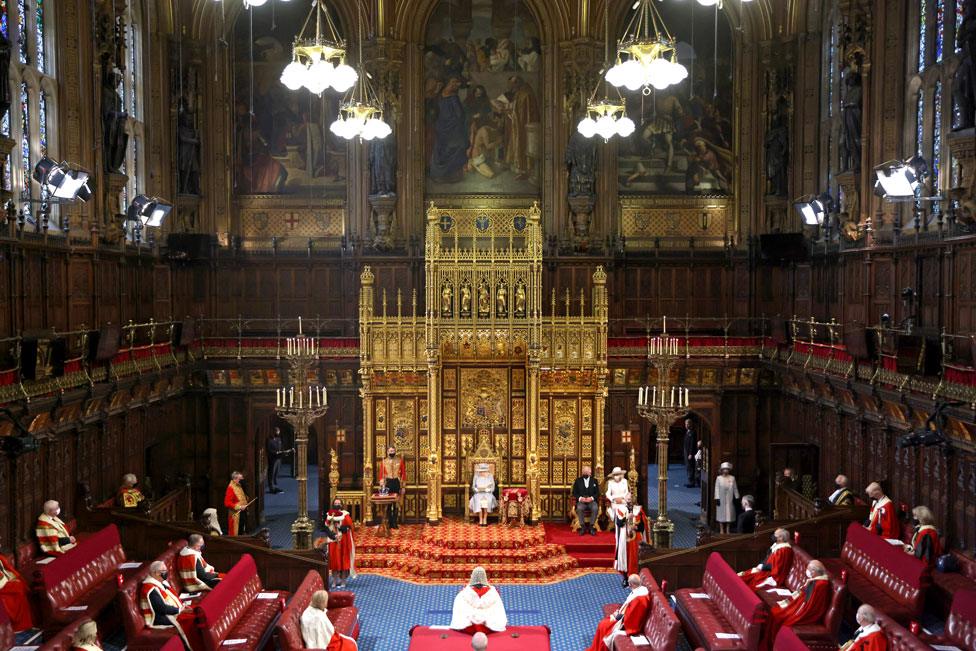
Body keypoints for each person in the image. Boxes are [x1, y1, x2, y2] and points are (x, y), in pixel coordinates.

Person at [761, 560, 833, 650]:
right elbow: (803, 595)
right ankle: (769, 643)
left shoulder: (821, 585)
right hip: (801, 605)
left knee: (778, 617)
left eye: (809, 569)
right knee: (775, 611)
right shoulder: (815, 581)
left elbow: (810, 605)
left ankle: (773, 646)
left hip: (807, 613)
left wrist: (796, 612)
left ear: (814, 572)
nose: (807, 570)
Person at [586, 574, 651, 651]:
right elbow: (629, 609)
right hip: (624, 618)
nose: (629, 585)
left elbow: (632, 617)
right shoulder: (638, 591)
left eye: (629, 583)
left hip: (627, 624)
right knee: (602, 624)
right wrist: (619, 613)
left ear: (632, 584)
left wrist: (618, 616)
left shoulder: (639, 599)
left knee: (604, 626)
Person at [449, 567, 507, 634]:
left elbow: (460, 611)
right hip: (488, 627)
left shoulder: (463, 593)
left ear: (473, 576)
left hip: (469, 627)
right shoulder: (493, 593)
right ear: (484, 576)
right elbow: (498, 611)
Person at [605, 467, 632, 586]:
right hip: (615, 504)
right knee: (618, 513)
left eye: (618, 474)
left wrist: (624, 499)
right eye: (615, 475)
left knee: (626, 512)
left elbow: (627, 493)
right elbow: (607, 494)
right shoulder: (610, 483)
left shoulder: (625, 482)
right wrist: (615, 499)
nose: (617, 476)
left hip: (624, 503)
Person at [140, 561, 185, 630]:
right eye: (163, 571)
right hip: (161, 617)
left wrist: (181, 608)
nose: (166, 573)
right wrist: (179, 610)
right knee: (189, 619)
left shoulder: (160, 582)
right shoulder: (150, 588)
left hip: (170, 612)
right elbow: (161, 608)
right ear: (156, 573)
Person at [324, 498, 356, 589]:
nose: (337, 504)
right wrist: (333, 535)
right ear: (333, 504)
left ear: (341, 505)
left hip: (343, 541)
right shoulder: (329, 515)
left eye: (338, 503)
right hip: (333, 540)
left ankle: (343, 581)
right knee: (334, 561)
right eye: (335, 503)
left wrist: (340, 527)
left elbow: (349, 527)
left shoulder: (345, 515)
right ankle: (334, 581)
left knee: (343, 561)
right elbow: (326, 527)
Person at [0, 545, 33, 631]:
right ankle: (18, 627)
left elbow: (6, 572)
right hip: (2, 588)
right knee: (18, 587)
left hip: (4, 583)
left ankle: (23, 626)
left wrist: (12, 579)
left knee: (19, 585)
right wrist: (11, 582)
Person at [378, 446, 406, 530]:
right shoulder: (384, 461)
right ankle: (390, 522)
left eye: (393, 450)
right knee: (389, 504)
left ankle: (395, 522)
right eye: (390, 450)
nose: (392, 452)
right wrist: (382, 484)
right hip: (388, 483)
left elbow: (403, 474)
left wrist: (403, 486)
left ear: (395, 451)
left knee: (396, 503)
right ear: (387, 452)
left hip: (396, 483)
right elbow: (381, 474)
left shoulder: (399, 460)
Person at [572, 465, 600, 535]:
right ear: (583, 472)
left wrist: (591, 498)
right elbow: (574, 493)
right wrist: (581, 498)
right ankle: (582, 527)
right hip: (582, 501)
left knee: (595, 508)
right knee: (579, 508)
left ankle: (591, 527)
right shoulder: (578, 481)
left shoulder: (594, 480)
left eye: (589, 471)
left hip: (591, 501)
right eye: (586, 472)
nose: (589, 473)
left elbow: (597, 493)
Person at [714, 462, 739, 534]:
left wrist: (736, 497)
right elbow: (716, 488)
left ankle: (728, 529)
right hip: (721, 498)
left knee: (729, 514)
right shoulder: (718, 478)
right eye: (724, 469)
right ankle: (721, 529)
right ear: (721, 470)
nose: (726, 471)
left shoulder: (732, 478)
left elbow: (735, 488)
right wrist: (717, 498)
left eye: (727, 469)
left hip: (730, 498)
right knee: (721, 513)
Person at [266, 428, 292, 494]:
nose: (277, 433)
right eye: (276, 432)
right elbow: (269, 450)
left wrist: (284, 452)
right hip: (272, 459)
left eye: (278, 432)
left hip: (278, 458)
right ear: (273, 432)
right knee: (271, 473)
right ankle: (271, 488)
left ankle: (274, 487)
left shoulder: (279, 439)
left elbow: (281, 447)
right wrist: (276, 452)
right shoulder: (269, 440)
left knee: (276, 472)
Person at [626, 505, 650, 577]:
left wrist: (636, 527)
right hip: (626, 538)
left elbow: (642, 527)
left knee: (636, 555)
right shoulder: (622, 511)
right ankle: (627, 576)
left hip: (637, 538)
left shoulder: (639, 512)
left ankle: (638, 573)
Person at [224, 471, 249, 536]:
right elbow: (227, 503)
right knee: (236, 533)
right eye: (240, 479)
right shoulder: (231, 488)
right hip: (236, 515)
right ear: (235, 479)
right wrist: (240, 507)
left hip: (242, 512)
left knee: (242, 531)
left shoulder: (239, 485)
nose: (242, 480)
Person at [683, 418, 698, 487]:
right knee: (688, 467)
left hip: (690, 453)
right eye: (685, 424)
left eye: (687, 424)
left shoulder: (693, 432)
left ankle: (692, 482)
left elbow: (692, 444)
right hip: (686, 451)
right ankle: (689, 480)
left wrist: (690, 453)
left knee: (691, 467)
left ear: (690, 424)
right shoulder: (687, 432)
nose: (686, 425)